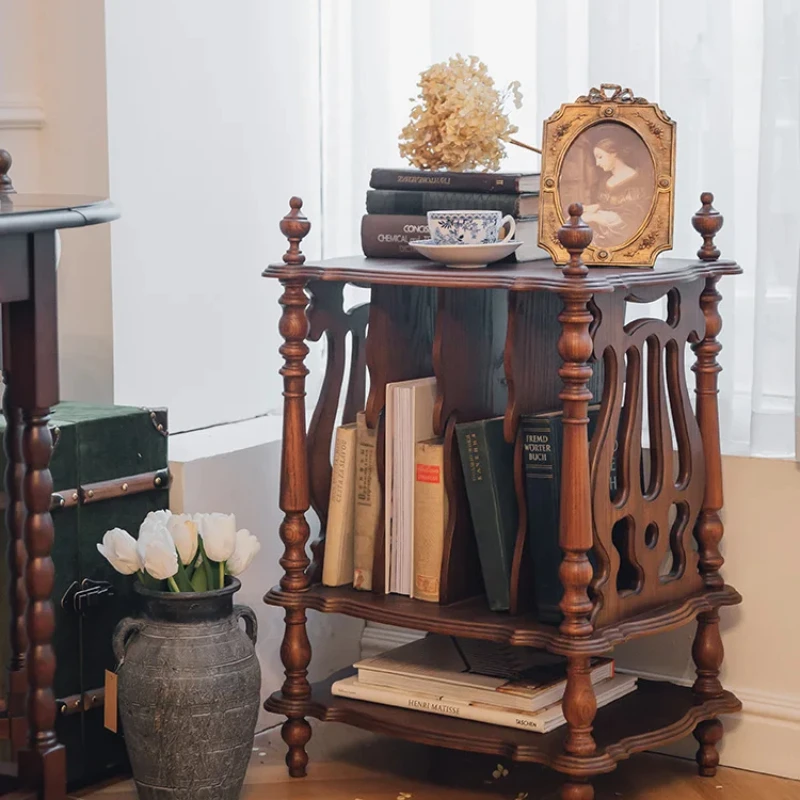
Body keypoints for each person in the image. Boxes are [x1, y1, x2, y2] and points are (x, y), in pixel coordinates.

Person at [579, 137, 652, 248]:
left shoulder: (636, 180)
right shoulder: (606, 180)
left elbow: (631, 219)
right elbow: (610, 204)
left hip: (623, 236)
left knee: (581, 221)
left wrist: (594, 217)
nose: (597, 163)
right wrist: (594, 207)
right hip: (605, 231)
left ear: (613, 154)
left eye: (600, 157)